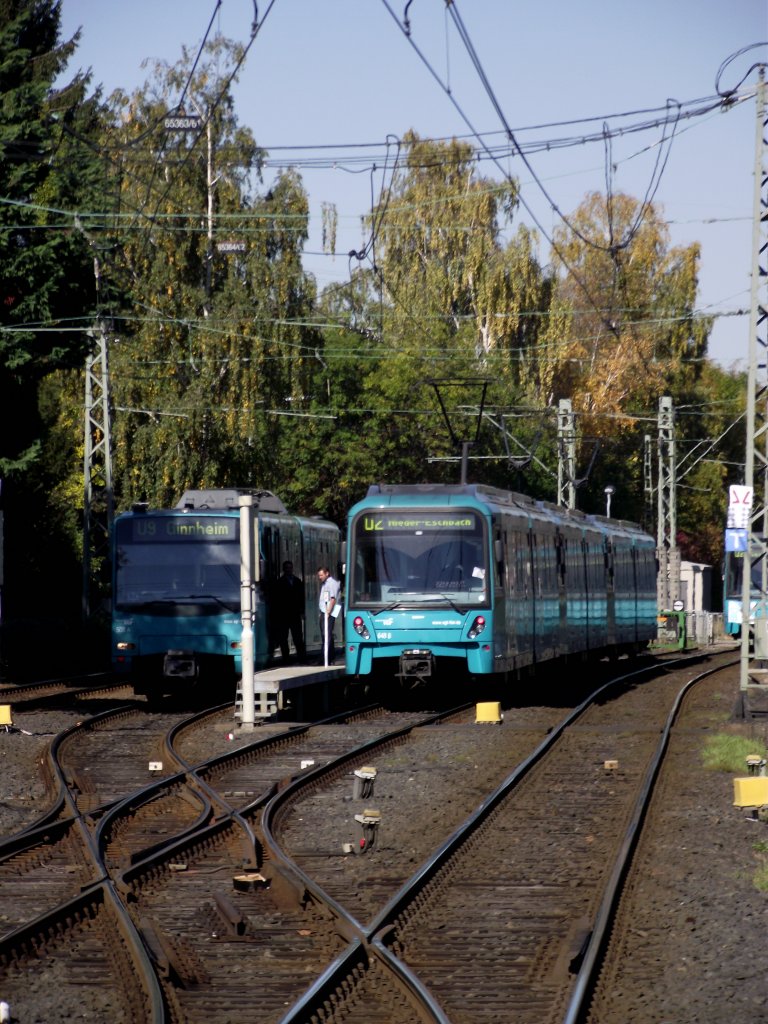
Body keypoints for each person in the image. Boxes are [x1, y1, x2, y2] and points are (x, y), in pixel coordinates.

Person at [274, 561, 306, 663]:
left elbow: (302, 598)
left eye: (290, 568)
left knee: (298, 637)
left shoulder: (298, 581)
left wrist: (302, 611)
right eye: (287, 568)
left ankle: (301, 657)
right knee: (283, 637)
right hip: (283, 615)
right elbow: (277, 600)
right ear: (284, 569)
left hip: (295, 614)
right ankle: (286, 658)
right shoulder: (279, 582)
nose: (289, 570)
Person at [317, 565, 341, 665]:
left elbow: (332, 599)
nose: (320, 577)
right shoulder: (325, 583)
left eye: (321, 575)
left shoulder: (332, 583)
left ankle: (325, 658)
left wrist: (328, 612)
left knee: (326, 634)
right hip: (325, 611)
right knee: (326, 634)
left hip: (329, 612)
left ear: (327, 573)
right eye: (319, 575)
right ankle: (330, 657)